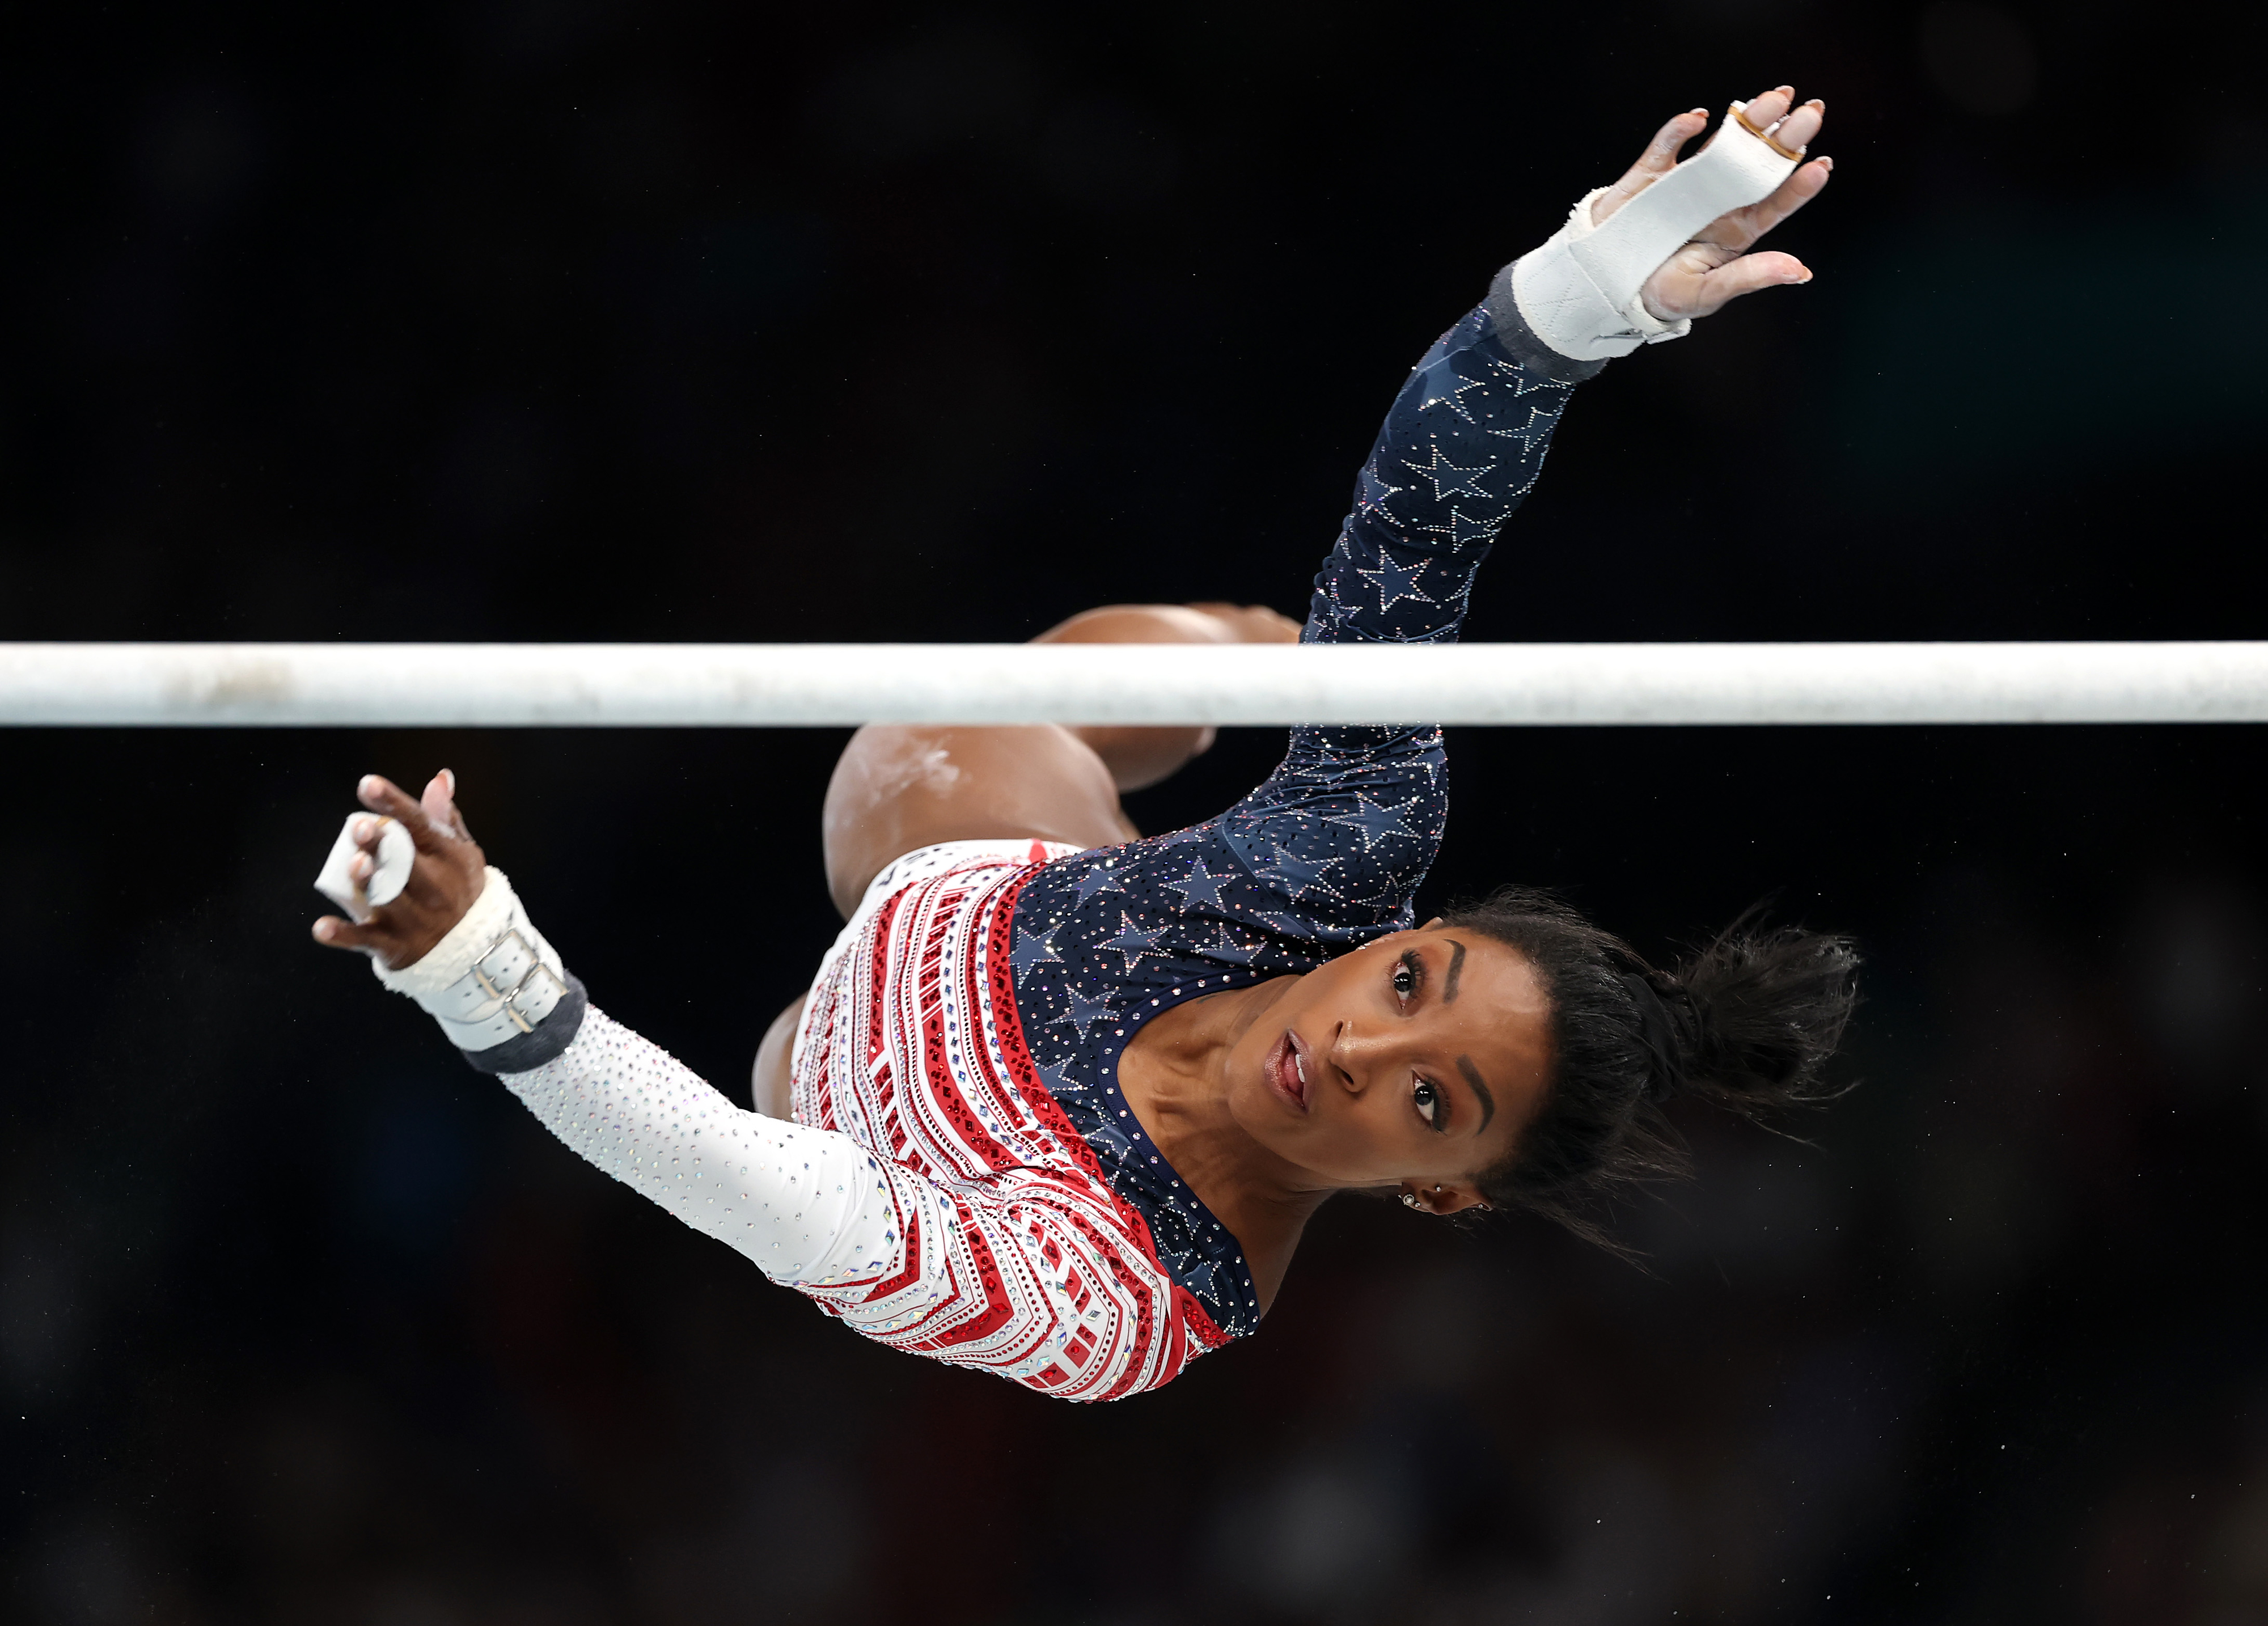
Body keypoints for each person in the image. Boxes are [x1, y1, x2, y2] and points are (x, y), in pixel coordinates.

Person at [312, 87, 1860, 1401]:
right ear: (1406, 934)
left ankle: (1273, 673)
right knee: (1081, 704)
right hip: (954, 861)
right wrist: (1568, 310)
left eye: (1433, 1102)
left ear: (1441, 1189)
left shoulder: (1118, 1300)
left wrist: (477, 964)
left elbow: (739, 1179)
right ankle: (1252, 656)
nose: (1363, 1050)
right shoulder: (1348, 854)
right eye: (1411, 982)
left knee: (771, 1099)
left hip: (818, 1108)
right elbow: (1415, 526)